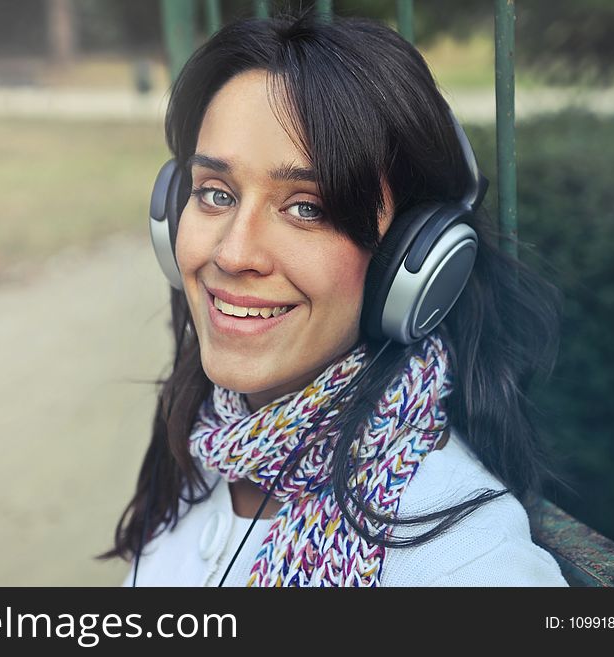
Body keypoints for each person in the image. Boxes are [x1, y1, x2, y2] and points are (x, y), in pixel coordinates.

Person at [101, 10, 569, 586]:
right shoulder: (199, 455)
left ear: (414, 265)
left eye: (307, 208)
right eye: (216, 194)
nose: (233, 253)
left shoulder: (468, 563)